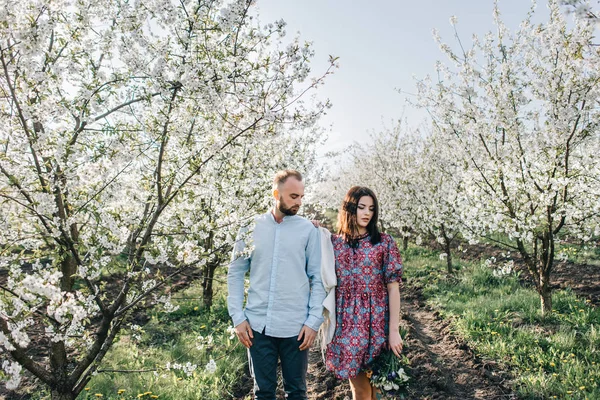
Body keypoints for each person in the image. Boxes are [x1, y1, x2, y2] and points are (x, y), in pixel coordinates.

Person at [227, 169, 326, 400]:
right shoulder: (250, 228)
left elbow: (317, 278)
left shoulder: (308, 230)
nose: (299, 202)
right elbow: (236, 272)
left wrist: (313, 322)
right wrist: (238, 318)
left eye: (301, 196)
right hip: (258, 326)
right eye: (293, 196)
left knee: (297, 392)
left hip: (296, 328)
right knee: (263, 393)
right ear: (276, 194)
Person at [325, 186, 404, 400]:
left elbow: (393, 287)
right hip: (348, 326)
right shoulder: (334, 244)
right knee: (360, 390)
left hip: (377, 322)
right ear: (350, 209)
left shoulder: (384, 243)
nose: (367, 213)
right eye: (361, 207)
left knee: (378, 389)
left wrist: (393, 330)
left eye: (371, 208)